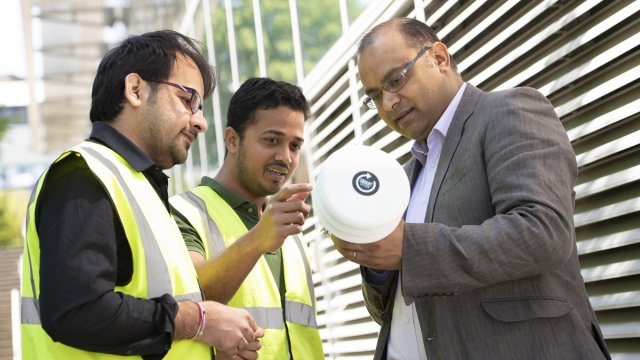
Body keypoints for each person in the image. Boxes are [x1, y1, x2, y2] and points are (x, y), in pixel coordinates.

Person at [330, 17, 611, 359]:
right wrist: (376, 264)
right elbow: (388, 311)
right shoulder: (402, 178)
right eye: (374, 96)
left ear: (439, 58)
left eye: (396, 79)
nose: (388, 103)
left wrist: (409, 249)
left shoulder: (509, 110)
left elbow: (543, 231)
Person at [21, 30, 263, 359]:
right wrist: (199, 320)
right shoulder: (83, 175)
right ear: (135, 90)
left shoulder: (140, 188)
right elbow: (77, 310)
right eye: (188, 99)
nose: (201, 122)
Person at [171, 77, 324, 359]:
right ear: (232, 140)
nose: (285, 157)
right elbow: (190, 302)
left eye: (294, 145)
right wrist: (258, 240)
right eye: (272, 140)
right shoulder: (182, 212)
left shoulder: (290, 229)